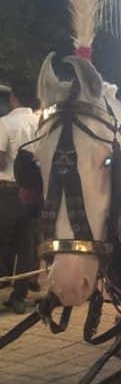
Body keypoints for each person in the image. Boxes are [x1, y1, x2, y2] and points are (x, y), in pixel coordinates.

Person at [0, 82, 39, 313]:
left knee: (3, 240)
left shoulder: (4, 123)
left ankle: (4, 280)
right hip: (33, 192)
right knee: (26, 244)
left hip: (8, 190)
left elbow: (0, 161)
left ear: (13, 98)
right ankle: (19, 296)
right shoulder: (41, 123)